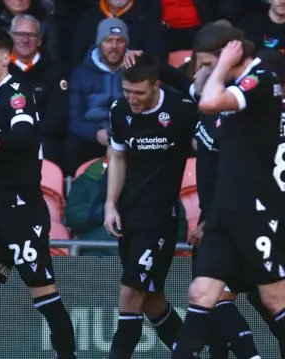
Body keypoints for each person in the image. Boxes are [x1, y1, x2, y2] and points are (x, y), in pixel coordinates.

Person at [172, 28, 285, 359]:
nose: (205, 72)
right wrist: (217, 67)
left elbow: (208, 101)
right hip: (225, 208)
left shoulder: (259, 78)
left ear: (229, 54)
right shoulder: (238, 80)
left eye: (208, 63)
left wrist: (220, 67)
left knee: (276, 298)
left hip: (252, 208)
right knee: (202, 294)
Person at [0, 27, 76, 359]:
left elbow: (24, 137)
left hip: (18, 211)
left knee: (44, 296)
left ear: (6, 57)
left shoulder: (16, 94)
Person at [104, 53, 197, 358]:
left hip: (160, 217)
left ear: (157, 85)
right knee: (152, 298)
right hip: (130, 213)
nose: (132, 99)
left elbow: (210, 151)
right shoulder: (119, 110)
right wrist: (110, 205)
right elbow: (117, 157)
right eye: (127, 91)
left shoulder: (182, 110)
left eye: (139, 93)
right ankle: (190, 352)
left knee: (130, 293)